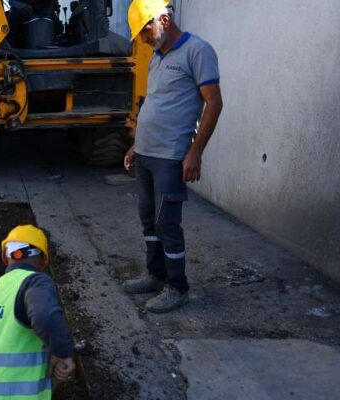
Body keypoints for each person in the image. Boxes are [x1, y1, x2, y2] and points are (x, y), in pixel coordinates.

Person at [122, 0, 223, 313]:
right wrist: (136, 144)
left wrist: (195, 152)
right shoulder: (157, 56)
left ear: (163, 19)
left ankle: (177, 287)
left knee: (167, 222)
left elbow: (214, 104)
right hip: (147, 152)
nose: (143, 39)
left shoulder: (198, 51)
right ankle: (155, 274)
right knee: (148, 218)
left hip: (171, 156)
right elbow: (154, 103)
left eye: (145, 30)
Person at [0, 225, 75, 399]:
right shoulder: (34, 281)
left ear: (5, 256)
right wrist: (63, 353)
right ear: (42, 261)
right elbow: (45, 317)